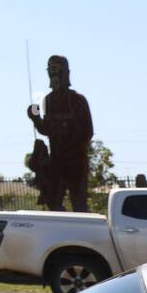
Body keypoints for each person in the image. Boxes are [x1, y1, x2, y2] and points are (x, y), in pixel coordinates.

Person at [27, 56, 94, 211]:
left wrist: (72, 149)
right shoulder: (48, 100)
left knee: (79, 203)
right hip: (56, 162)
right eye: (50, 69)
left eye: (57, 69)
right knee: (53, 201)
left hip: (76, 162)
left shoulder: (77, 99)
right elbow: (46, 129)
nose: (53, 73)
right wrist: (35, 118)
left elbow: (87, 131)